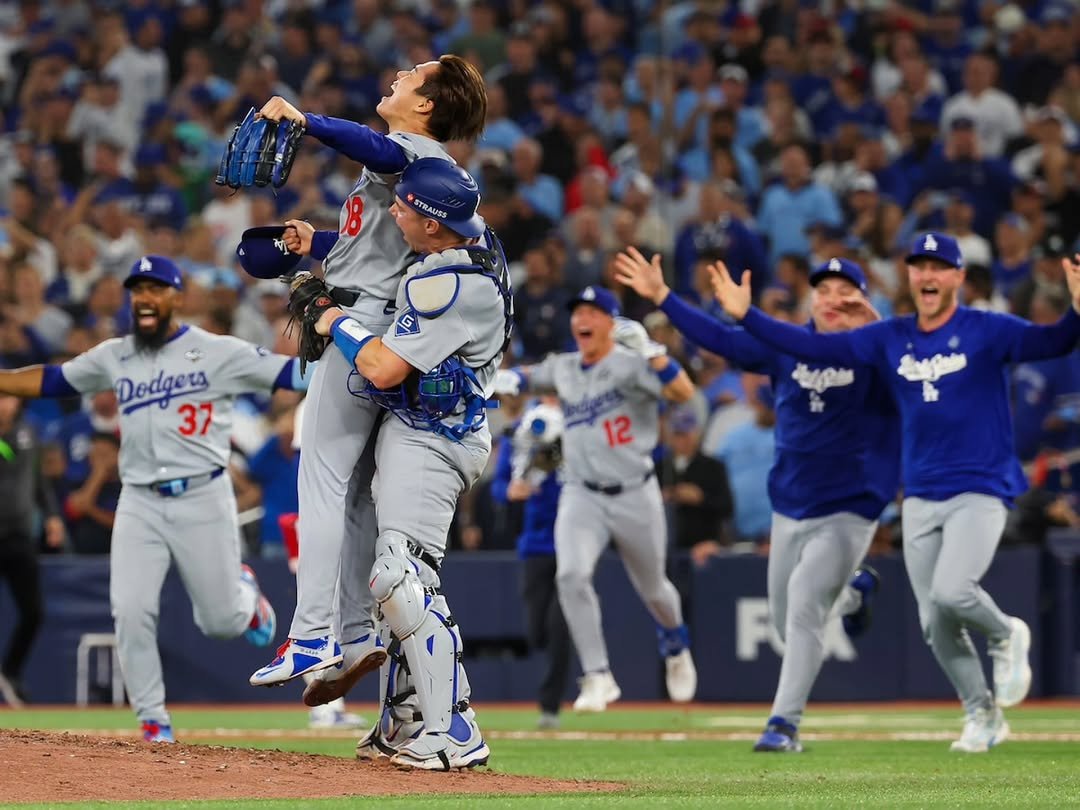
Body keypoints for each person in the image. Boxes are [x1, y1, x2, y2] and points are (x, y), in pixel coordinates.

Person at [707, 232, 1080, 752]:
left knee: (952, 592)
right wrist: (746, 316)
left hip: (979, 485)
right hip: (921, 493)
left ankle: (1003, 633)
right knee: (933, 622)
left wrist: (1076, 313)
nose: (928, 275)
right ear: (909, 276)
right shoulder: (892, 337)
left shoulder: (986, 328)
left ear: (957, 277)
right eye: (919, 266)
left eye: (939, 266)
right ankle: (981, 713)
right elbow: (812, 347)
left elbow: (1053, 342)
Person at [249, 55, 489, 689]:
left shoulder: (415, 154)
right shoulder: (426, 170)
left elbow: (374, 146)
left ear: (426, 105)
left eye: (413, 75)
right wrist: (320, 245)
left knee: (321, 481)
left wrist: (307, 121)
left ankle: (311, 636)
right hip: (381, 317)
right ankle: (356, 635)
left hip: (359, 326)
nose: (399, 75)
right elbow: (375, 249)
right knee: (354, 494)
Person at [0, 255, 308, 742]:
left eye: (156, 288)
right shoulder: (116, 355)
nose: (144, 297)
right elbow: (53, 380)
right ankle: (153, 719)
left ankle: (247, 600)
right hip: (139, 500)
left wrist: (346, 347)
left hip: (203, 496)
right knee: (130, 608)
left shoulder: (216, 351)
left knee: (221, 621)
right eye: (138, 289)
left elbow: (295, 375)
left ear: (176, 297)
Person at [614, 247, 897, 752]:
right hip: (790, 504)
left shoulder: (877, 351)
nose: (833, 299)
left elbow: (912, 370)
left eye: (845, 291)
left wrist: (877, 327)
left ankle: (782, 725)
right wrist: (664, 297)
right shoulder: (788, 345)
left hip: (850, 507)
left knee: (806, 603)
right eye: (824, 290)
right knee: (788, 628)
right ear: (810, 300)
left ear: (862, 300)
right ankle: (854, 594)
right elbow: (721, 340)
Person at [285, 158, 511, 769]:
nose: (393, 212)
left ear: (434, 225)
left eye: (405, 207)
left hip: (437, 436)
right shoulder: (474, 244)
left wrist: (333, 318)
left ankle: (454, 731)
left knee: (399, 576)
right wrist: (323, 246)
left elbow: (383, 368)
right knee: (395, 586)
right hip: (424, 428)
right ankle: (404, 718)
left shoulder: (449, 283)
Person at [493, 289, 699, 712]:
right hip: (582, 492)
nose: (582, 319)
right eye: (578, 312)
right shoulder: (566, 367)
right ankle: (598, 675)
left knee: (654, 589)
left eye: (592, 312)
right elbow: (523, 379)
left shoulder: (633, 364)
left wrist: (654, 352)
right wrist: (492, 378)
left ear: (611, 322)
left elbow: (683, 393)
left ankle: (675, 641)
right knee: (571, 576)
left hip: (634, 491)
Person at [490, 397, 572, 730]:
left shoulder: (577, 429)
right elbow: (498, 486)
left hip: (573, 543)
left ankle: (550, 706)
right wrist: (511, 490)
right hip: (536, 544)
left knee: (559, 626)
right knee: (537, 629)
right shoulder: (524, 432)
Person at [0, 393, 64, 707]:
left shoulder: (28, 432)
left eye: (8, 398)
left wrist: (51, 515)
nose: (4, 405)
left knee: (33, 612)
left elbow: (39, 481)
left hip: (19, 536)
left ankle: (10, 671)